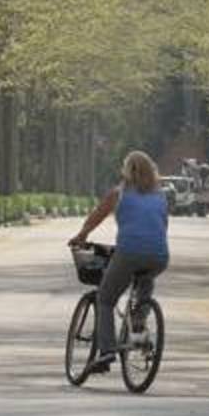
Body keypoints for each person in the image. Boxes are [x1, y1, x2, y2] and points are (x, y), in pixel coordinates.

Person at [68, 150, 169, 374]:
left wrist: (81, 236)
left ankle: (107, 351)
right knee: (145, 280)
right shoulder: (160, 195)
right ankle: (140, 326)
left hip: (129, 252)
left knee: (105, 299)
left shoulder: (119, 193)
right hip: (160, 255)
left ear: (127, 170)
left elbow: (97, 215)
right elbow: (162, 226)